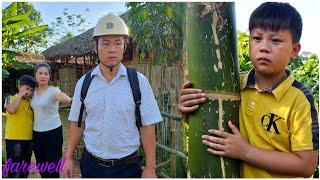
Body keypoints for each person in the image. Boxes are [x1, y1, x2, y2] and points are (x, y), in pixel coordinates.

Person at [178, 2, 318, 178]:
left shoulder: (299, 98)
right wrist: (189, 110)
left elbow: (306, 165)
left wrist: (246, 152)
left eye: (275, 40)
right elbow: (215, 128)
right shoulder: (232, 85)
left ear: (295, 50)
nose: (264, 47)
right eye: (257, 38)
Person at [63, 14, 162, 178]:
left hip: (128, 168)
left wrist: (150, 168)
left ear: (124, 46)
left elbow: (147, 126)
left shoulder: (139, 82)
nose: (112, 49)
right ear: (95, 47)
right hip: (91, 165)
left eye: (118, 43)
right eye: (105, 43)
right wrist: (68, 157)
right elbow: (78, 123)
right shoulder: (84, 83)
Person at [30, 62, 72, 178]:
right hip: (37, 133)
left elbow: (61, 95)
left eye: (46, 74)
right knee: (41, 165)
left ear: (49, 76)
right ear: (35, 75)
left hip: (52, 132)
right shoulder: (32, 92)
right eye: (40, 73)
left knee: (52, 167)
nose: (43, 76)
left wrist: (70, 100)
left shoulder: (53, 90)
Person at [3, 75, 37, 178]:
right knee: (14, 170)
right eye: (26, 89)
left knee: (24, 170)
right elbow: (11, 110)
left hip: (28, 140)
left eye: (31, 90)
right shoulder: (10, 98)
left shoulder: (32, 103)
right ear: (19, 86)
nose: (29, 92)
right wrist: (20, 95)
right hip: (14, 140)